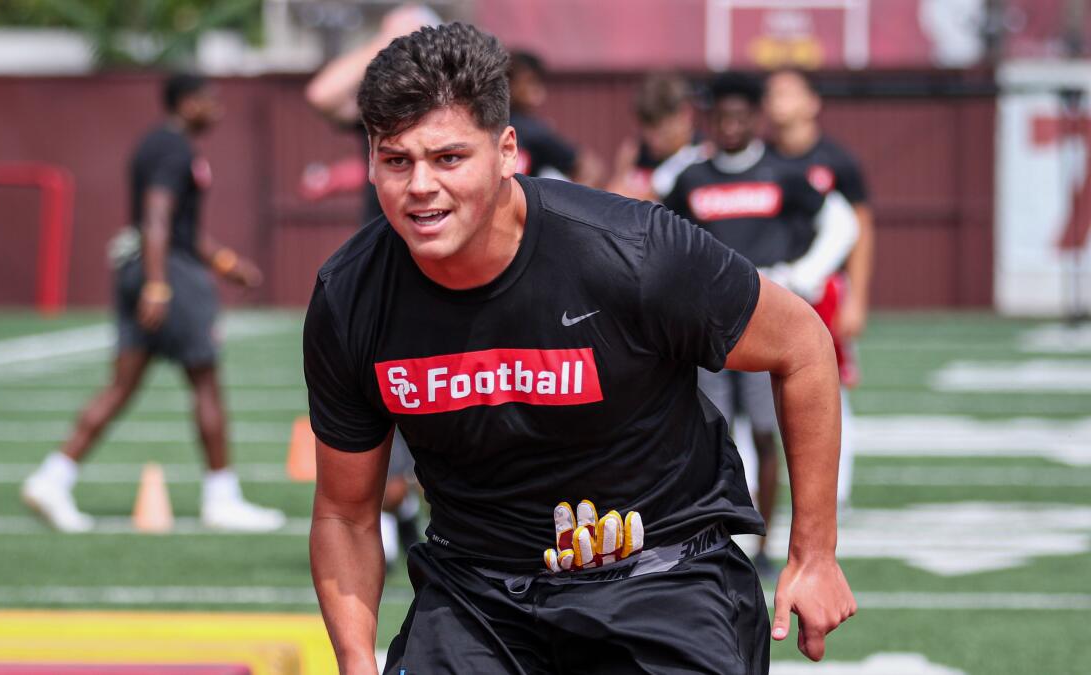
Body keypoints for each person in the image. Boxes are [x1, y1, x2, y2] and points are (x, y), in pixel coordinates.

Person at [305, 23, 854, 674]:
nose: (420, 185)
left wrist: (813, 554)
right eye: (396, 160)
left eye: (448, 158)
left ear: (507, 151)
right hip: (476, 593)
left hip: (661, 577)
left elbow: (803, 344)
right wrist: (355, 663)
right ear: (371, 160)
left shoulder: (631, 253)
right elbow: (344, 512)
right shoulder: (350, 298)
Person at [21, 73, 285, 533]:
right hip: (167, 274)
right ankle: (222, 498)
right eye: (208, 101)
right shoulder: (172, 148)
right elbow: (157, 216)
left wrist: (223, 262)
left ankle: (52, 477)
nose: (216, 109)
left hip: (143, 267)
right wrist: (160, 284)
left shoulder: (161, 144)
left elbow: (177, 225)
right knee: (205, 381)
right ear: (185, 103)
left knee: (120, 386)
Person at [663, 72, 858, 578]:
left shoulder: (784, 172)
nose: (730, 125)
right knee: (708, 435)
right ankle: (713, 536)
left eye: (740, 115)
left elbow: (843, 222)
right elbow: (662, 240)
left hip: (765, 329)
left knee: (768, 435)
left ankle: (769, 542)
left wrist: (804, 276)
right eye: (721, 116)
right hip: (706, 331)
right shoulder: (691, 178)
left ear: (756, 118)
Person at [304, 5, 440, 557]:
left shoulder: (466, 103)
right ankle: (393, 508)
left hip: (461, 277)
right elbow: (322, 95)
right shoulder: (385, 109)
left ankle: (418, 512)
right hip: (392, 277)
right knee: (383, 405)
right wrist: (388, 43)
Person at [765, 68, 876, 511]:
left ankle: (837, 491)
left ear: (813, 102)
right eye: (772, 93)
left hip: (821, 288)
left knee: (829, 386)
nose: (778, 101)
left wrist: (858, 298)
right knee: (759, 391)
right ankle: (761, 486)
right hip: (773, 283)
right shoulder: (762, 158)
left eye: (788, 92)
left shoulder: (837, 161)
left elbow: (860, 227)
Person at [305, 4, 441, 224]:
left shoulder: (456, 105)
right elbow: (322, 94)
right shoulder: (384, 104)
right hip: (387, 235)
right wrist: (387, 43)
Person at [508, 50, 604, 185]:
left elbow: (589, 167)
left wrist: (574, 202)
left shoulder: (532, 131)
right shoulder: (491, 124)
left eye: (534, 82)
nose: (533, 88)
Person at [606, 72, 704, 202]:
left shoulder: (703, 158)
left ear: (685, 114)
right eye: (647, 131)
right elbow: (610, 204)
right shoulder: (636, 155)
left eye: (661, 131)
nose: (653, 141)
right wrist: (621, 172)